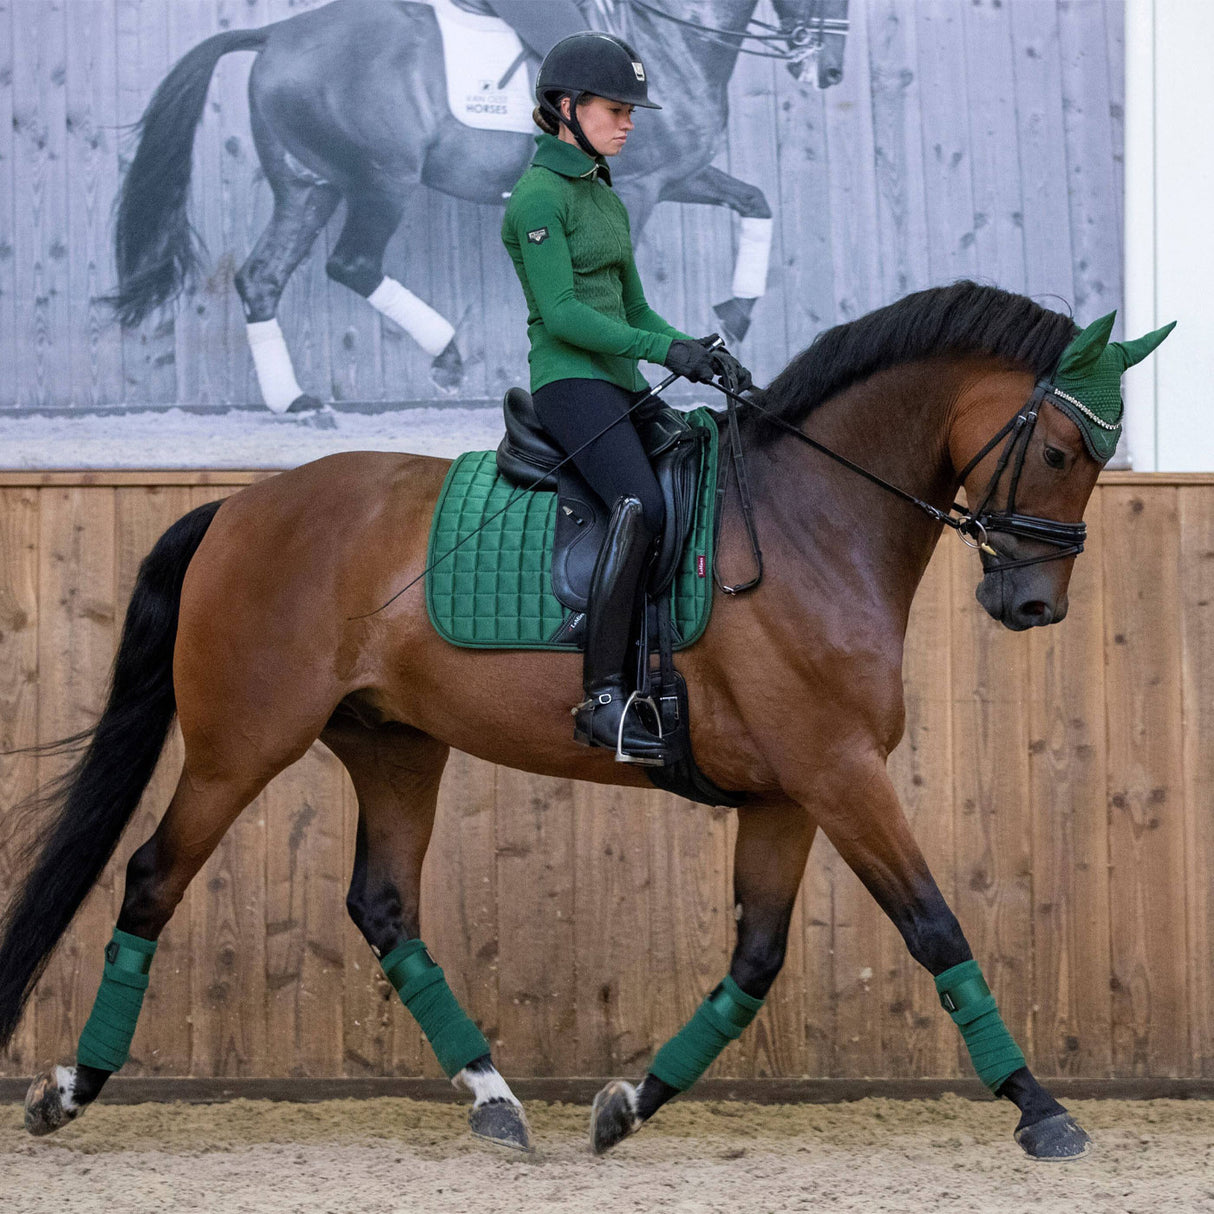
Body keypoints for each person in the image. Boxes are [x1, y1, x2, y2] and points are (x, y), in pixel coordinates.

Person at [500, 31, 751, 765]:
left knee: (700, 471)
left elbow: (633, 309)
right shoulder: (538, 198)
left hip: (620, 381)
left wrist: (694, 352)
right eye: (617, 109)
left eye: (631, 111)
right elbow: (566, 316)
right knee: (639, 506)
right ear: (566, 107)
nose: (630, 122)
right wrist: (662, 352)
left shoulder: (602, 194)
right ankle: (603, 697)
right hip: (571, 385)